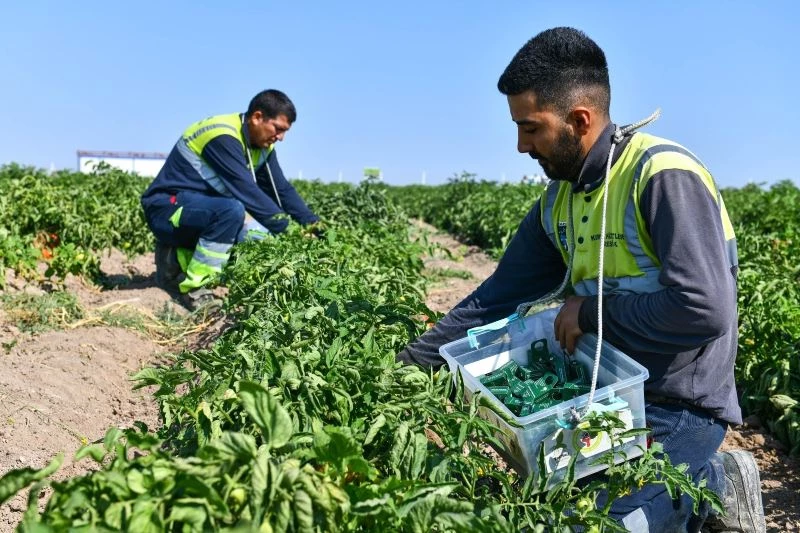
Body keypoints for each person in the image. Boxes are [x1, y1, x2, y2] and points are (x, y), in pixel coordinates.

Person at [396, 28, 765, 532]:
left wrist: (589, 312)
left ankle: (708, 484)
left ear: (579, 119)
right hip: (594, 398)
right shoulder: (559, 200)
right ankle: (695, 490)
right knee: (541, 516)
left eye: (530, 128)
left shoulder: (661, 175)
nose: (521, 146)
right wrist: (407, 368)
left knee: (599, 525)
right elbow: (495, 299)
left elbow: (704, 309)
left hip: (677, 408)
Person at [140, 89, 320, 310]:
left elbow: (281, 190)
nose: (281, 137)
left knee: (257, 234)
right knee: (231, 211)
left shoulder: (261, 147)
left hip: (197, 210)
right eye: (278, 129)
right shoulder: (222, 136)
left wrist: (316, 228)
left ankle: (174, 262)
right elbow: (247, 191)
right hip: (165, 210)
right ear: (257, 117)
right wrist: (290, 232)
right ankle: (195, 288)